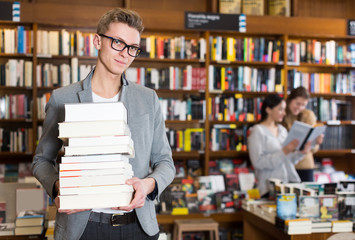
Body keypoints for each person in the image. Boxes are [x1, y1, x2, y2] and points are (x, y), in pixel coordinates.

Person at [32, 8, 175, 240]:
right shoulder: (62, 98)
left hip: (138, 226)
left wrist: (148, 185)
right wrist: (59, 188)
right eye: (117, 42)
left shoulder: (148, 99)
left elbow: (165, 163)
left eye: (132, 48)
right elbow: (41, 161)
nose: (125, 54)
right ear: (97, 41)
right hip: (83, 226)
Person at [247, 94, 312, 197]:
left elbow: (289, 160)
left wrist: (302, 153)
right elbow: (258, 163)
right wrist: (284, 151)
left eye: (284, 109)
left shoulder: (282, 130)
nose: (284, 113)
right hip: (269, 189)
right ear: (268, 110)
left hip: (288, 185)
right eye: (280, 109)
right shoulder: (257, 131)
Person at [283, 86, 324, 182]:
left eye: (303, 105)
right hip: (285, 164)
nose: (299, 107)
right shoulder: (281, 114)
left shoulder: (308, 115)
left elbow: (313, 150)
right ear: (290, 100)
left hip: (305, 165)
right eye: (297, 103)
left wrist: (316, 143)